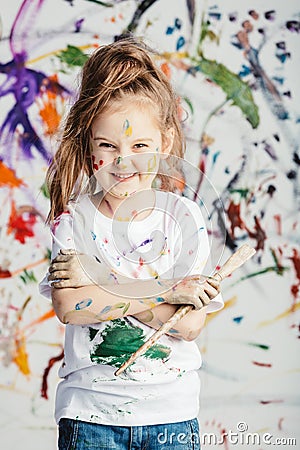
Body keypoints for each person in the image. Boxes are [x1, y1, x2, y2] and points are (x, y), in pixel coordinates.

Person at [39, 37, 223, 450]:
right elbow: (70, 307)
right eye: (109, 146)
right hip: (90, 416)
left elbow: (190, 324)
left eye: (140, 146)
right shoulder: (75, 219)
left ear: (165, 145)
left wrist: (99, 281)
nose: (125, 163)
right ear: (89, 149)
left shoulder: (183, 219)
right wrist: (169, 292)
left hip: (171, 417)